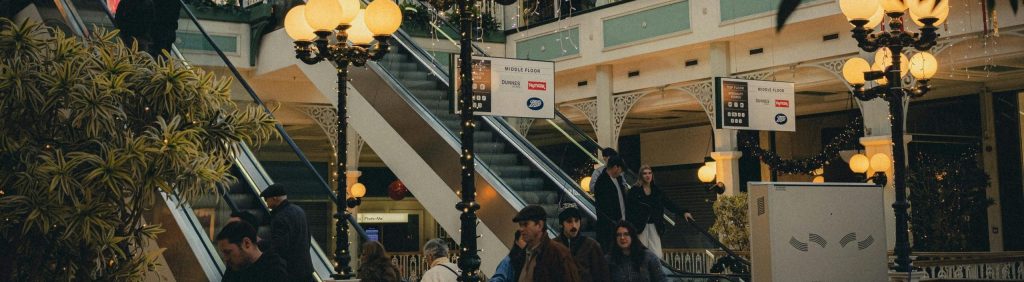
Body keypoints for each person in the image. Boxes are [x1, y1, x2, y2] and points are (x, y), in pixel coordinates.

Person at [628, 165, 693, 259]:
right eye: (645, 173)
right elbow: (630, 210)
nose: (647, 175)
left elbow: (669, 203)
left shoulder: (656, 191)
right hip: (640, 226)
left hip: (655, 225)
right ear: (640, 175)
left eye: (649, 173)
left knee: (656, 254)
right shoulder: (634, 191)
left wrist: (683, 212)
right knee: (640, 254)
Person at [259, 183, 314, 282]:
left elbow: (280, 246)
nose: (266, 202)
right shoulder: (299, 210)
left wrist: (260, 242)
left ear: (274, 198)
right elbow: (308, 237)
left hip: (291, 272)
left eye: (266, 199)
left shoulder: (280, 217)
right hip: (306, 268)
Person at [512, 205, 581, 282]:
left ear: (539, 225)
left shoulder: (557, 253)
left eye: (525, 224)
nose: (521, 229)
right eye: (520, 225)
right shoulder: (523, 254)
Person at [215, 221, 289, 282]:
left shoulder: (275, 272)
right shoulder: (234, 268)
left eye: (228, 252)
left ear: (247, 243)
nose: (225, 258)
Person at [555, 207, 611, 282]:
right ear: (562, 224)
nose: (574, 225)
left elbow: (602, 274)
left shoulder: (591, 245)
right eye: (569, 221)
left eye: (576, 221)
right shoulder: (553, 246)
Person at [593, 155, 630, 251]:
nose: (620, 173)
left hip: (621, 223)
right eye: (620, 170)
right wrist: (614, 222)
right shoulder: (601, 182)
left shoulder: (619, 179)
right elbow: (603, 207)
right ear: (615, 167)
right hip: (609, 227)